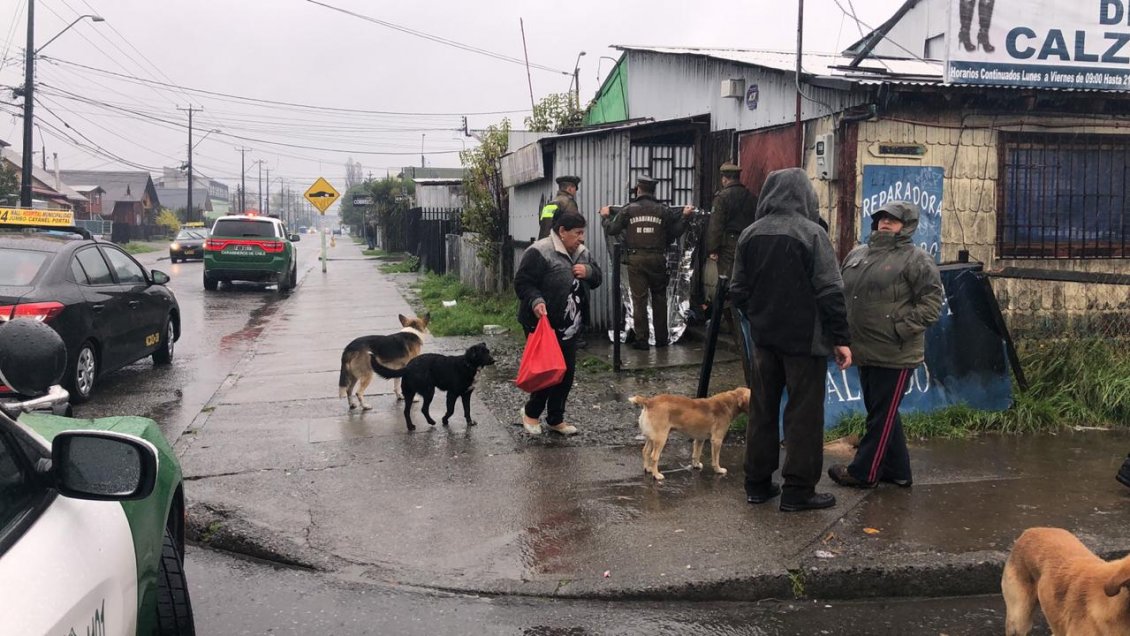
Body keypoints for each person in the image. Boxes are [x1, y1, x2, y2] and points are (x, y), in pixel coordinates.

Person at [729, 167, 852, 512]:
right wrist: (841, 338)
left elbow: (736, 290)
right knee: (803, 415)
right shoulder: (813, 233)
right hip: (806, 343)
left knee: (762, 410)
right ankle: (798, 491)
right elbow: (831, 290)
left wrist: (759, 314)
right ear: (806, 196)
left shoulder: (749, 235)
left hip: (764, 341)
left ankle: (757, 484)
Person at [826, 201, 943, 490]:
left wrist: (898, 329)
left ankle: (864, 472)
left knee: (881, 416)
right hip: (863, 348)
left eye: (893, 219)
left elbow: (931, 304)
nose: (885, 223)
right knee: (882, 412)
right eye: (882, 218)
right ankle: (898, 471)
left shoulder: (917, 259)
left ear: (907, 225)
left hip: (895, 352)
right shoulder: (858, 254)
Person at [515, 211, 602, 436]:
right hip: (543, 323)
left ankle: (556, 418)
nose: (582, 238)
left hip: (571, 325)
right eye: (577, 233)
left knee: (566, 373)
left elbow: (598, 278)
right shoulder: (540, 251)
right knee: (547, 370)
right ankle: (531, 413)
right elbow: (523, 282)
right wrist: (536, 300)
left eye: (583, 233)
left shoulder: (583, 253)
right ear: (562, 232)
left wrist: (589, 271)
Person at [600, 175, 692, 350]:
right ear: (653, 190)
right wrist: (685, 217)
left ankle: (641, 340)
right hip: (658, 259)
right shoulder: (663, 211)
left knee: (639, 300)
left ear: (638, 189)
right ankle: (662, 340)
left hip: (636, 260)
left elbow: (613, 230)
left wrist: (605, 217)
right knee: (659, 298)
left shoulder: (628, 210)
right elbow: (674, 233)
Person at [706, 162, 758, 282]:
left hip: (729, 245)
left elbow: (716, 225)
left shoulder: (722, 198)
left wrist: (712, 249)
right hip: (748, 242)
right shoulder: (751, 197)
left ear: (724, 179)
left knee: (727, 279)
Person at [538, 175, 581, 240]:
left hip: (546, 242)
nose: (575, 192)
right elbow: (573, 226)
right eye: (575, 189)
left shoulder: (551, 203)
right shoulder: (569, 203)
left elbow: (544, 224)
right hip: (562, 243)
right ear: (570, 189)